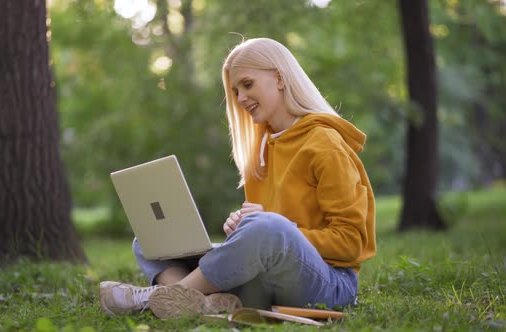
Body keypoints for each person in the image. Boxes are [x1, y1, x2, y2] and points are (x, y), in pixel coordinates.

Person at [99, 37, 376, 319]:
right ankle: (199, 303)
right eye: (235, 91)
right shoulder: (263, 148)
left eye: (247, 84)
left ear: (279, 78)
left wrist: (271, 228)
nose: (240, 98)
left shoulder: (324, 143)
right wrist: (244, 229)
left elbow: (351, 242)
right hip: (271, 277)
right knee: (150, 239)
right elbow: (268, 231)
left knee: (265, 228)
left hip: (330, 285)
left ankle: (163, 297)